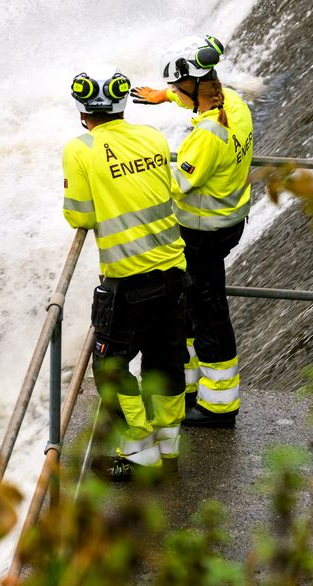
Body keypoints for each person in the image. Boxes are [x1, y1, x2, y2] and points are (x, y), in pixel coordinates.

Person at [62, 64, 190, 481]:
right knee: (166, 359)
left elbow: (79, 216)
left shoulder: (79, 148)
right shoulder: (153, 137)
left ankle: (138, 452)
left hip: (128, 280)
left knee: (110, 368)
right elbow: (169, 189)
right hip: (174, 270)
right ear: (121, 108)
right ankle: (168, 447)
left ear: (84, 112)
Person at [131, 35, 252, 428]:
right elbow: (195, 96)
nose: (173, 94)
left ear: (194, 87)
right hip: (229, 222)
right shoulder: (233, 103)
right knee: (190, 305)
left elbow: (175, 185)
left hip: (203, 234)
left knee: (208, 313)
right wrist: (163, 97)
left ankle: (219, 405)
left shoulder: (206, 137)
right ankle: (185, 384)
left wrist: (135, 171)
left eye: (176, 88)